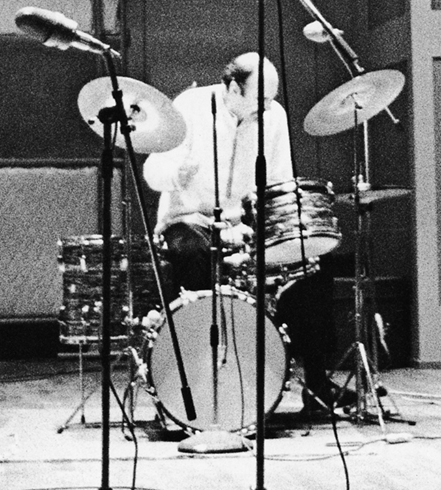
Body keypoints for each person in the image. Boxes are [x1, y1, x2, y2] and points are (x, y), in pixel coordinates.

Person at [142, 54, 339, 413]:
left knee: (313, 263)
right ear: (233, 88)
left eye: (271, 99)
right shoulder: (190, 105)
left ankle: (317, 385)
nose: (267, 107)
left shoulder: (273, 115)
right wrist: (177, 174)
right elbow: (153, 170)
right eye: (260, 98)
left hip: (242, 225)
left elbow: (278, 182)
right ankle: (198, 387)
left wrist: (260, 228)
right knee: (192, 255)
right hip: (188, 221)